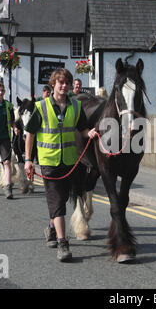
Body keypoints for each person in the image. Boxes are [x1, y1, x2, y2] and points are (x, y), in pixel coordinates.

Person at [24, 68, 97, 262]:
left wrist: (89, 133)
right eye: (60, 83)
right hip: (49, 162)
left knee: (63, 200)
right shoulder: (41, 106)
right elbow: (30, 133)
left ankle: (51, 228)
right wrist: (28, 160)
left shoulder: (75, 106)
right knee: (58, 204)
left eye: (67, 82)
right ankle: (63, 244)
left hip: (71, 161)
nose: (64, 86)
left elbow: (81, 129)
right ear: (53, 84)